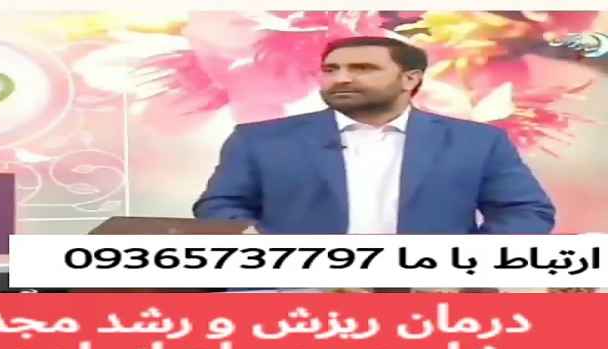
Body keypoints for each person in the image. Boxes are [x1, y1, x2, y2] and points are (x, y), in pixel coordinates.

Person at [193, 36, 555, 234]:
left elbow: (525, 211)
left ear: (410, 79)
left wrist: (463, 268)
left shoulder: (476, 142)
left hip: (429, 294)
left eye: (362, 68)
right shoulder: (260, 140)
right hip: (297, 292)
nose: (341, 78)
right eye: (331, 69)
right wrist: (268, 253)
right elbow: (220, 207)